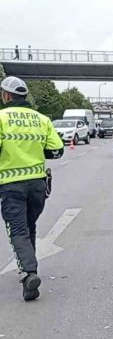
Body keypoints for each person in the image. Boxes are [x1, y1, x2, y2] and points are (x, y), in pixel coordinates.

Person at [0, 76, 64, 301]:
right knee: (29, 227)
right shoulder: (42, 119)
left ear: (5, 95)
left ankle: (29, 274)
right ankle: (30, 268)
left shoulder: (1, 118)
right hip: (38, 185)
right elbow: (57, 151)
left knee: (17, 230)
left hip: (11, 185)